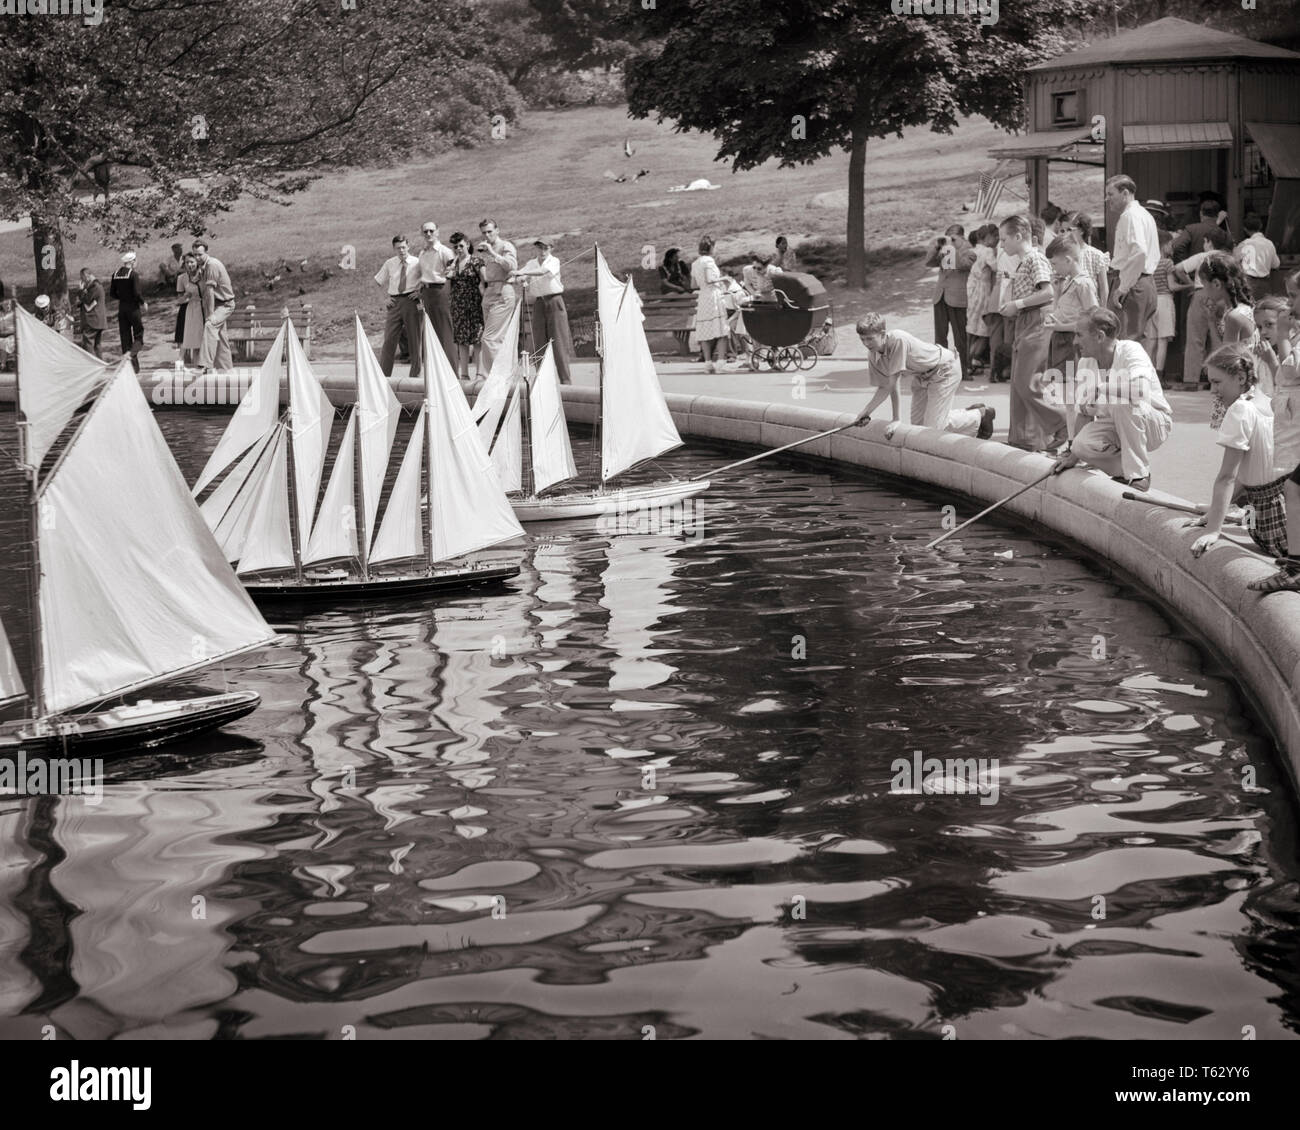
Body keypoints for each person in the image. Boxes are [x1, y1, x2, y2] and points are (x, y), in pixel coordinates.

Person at [1185, 343, 1297, 590]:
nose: (1212, 390)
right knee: (1247, 503)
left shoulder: (1239, 409)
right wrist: (1214, 512)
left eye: (1217, 382)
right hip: (1287, 513)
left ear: (1240, 377)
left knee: (1249, 509)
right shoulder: (1267, 400)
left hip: (1272, 527)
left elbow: (1227, 477)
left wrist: (1213, 529)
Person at [1052, 306, 1172, 493]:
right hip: (1116, 425)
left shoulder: (1131, 350)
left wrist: (1101, 388)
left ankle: (1139, 474)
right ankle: (1125, 471)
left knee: (1120, 400)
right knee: (1081, 445)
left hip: (1153, 423)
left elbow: (1139, 391)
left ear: (1099, 337)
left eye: (1079, 335)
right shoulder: (1086, 362)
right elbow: (1085, 413)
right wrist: (1073, 456)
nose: (1075, 341)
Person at [852, 313, 994, 439]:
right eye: (862, 339)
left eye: (870, 339)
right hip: (921, 377)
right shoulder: (873, 355)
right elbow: (884, 387)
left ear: (882, 334)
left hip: (945, 370)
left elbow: (894, 383)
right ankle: (965, 413)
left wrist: (896, 419)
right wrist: (865, 412)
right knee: (919, 427)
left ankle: (980, 415)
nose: (866, 343)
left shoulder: (897, 339)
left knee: (933, 429)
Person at [998, 214, 1067, 452]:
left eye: (1004, 238)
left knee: (1027, 380)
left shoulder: (1035, 258)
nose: (1001, 244)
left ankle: (1061, 422)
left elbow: (1047, 293)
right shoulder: (1024, 260)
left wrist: (1017, 305)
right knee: (1019, 383)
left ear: (1018, 236)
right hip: (1026, 320)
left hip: (1036, 319)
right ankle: (1024, 439)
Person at [1043, 234, 1098, 436]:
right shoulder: (1069, 282)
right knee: (1068, 399)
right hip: (1062, 340)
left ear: (1068, 260)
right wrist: (1057, 292)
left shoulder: (1083, 283)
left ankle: (1076, 443)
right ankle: (1072, 442)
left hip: (1073, 343)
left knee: (1074, 399)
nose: (1053, 268)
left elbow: (1093, 318)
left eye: (1055, 263)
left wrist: (1062, 327)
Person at [1103, 174, 1160, 350]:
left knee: (1123, 341)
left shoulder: (1130, 216)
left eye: (1111, 194)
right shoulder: (1144, 214)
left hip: (1131, 283)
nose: (1107, 199)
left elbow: (1139, 252)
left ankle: (1126, 378)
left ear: (1125, 193)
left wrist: (1123, 287)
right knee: (1136, 340)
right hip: (1144, 281)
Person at [1171, 228, 1231, 384]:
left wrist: (1190, 283)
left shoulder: (1203, 257)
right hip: (1223, 296)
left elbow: (1178, 269)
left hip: (1201, 294)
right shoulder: (1228, 258)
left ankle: (1191, 379)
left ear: (1209, 242)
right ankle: (1219, 378)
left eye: (1205, 241)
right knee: (1219, 337)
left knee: (1195, 339)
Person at [514, 237, 574, 384]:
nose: (542, 251)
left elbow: (542, 272)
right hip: (539, 302)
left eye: (545, 248)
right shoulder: (531, 263)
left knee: (559, 343)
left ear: (551, 248)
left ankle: (565, 381)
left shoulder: (554, 261)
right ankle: (542, 380)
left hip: (555, 301)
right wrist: (520, 278)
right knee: (539, 341)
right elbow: (521, 275)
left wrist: (520, 274)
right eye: (539, 248)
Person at [926, 224, 974, 377]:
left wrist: (952, 248)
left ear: (962, 237)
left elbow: (964, 266)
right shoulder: (944, 249)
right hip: (940, 296)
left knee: (960, 337)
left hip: (957, 298)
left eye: (953, 238)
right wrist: (936, 246)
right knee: (940, 336)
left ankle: (962, 370)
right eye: (948, 237)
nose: (950, 241)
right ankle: (941, 368)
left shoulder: (969, 251)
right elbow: (929, 262)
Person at [374, 234, 423, 379]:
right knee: (389, 339)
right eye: (398, 248)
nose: (401, 250)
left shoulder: (417, 262)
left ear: (408, 246)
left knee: (415, 340)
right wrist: (383, 299)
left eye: (403, 247)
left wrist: (420, 293)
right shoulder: (390, 263)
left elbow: (428, 279)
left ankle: (415, 376)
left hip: (411, 301)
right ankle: (384, 377)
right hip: (394, 303)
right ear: (394, 249)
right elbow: (377, 282)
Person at [477, 218, 518, 371]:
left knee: (489, 338)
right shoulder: (486, 249)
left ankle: (497, 376)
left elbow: (512, 266)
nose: (487, 235)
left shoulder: (505, 246)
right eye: (484, 233)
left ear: (497, 230)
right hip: (489, 292)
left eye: (489, 231)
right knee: (497, 339)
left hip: (503, 291)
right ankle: (503, 373)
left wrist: (493, 253)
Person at [191, 241, 235, 373]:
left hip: (225, 304)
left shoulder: (212, 265)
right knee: (221, 336)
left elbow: (210, 292)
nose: (197, 258)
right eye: (195, 255)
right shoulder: (204, 267)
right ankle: (226, 368)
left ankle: (204, 365)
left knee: (210, 325)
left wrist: (210, 314)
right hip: (219, 304)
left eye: (200, 254)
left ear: (206, 253)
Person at [417, 221, 456, 364]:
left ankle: (452, 371)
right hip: (427, 293)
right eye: (425, 231)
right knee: (431, 332)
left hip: (441, 291)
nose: (428, 234)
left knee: (445, 331)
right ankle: (437, 369)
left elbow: (452, 270)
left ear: (437, 232)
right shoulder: (422, 253)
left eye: (431, 231)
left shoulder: (444, 251)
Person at [447, 231, 485, 380]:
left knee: (477, 339)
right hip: (458, 306)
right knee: (461, 341)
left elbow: (485, 280)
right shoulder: (451, 263)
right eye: (455, 246)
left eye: (461, 246)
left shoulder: (476, 261)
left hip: (474, 304)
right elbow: (447, 285)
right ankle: (463, 373)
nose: (458, 249)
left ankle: (479, 372)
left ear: (467, 245)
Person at [691, 235, 729, 374]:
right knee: (721, 330)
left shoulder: (695, 264)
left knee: (706, 329)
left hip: (703, 297)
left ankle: (708, 363)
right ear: (711, 247)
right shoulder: (709, 261)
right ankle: (720, 362)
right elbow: (709, 279)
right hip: (713, 296)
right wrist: (724, 278)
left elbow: (693, 284)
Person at [965, 224, 998, 375]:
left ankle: (966, 359)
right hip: (983, 290)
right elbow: (996, 267)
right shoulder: (988, 251)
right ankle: (972, 358)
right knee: (984, 328)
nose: (997, 240)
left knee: (971, 328)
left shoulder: (972, 250)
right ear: (988, 237)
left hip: (971, 288)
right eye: (995, 236)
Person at [1061, 211, 1109, 308]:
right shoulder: (1061, 254)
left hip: (1089, 306)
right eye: (1063, 231)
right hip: (1068, 308)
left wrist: (1103, 310)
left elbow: (1103, 288)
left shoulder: (1096, 255)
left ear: (1081, 230)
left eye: (1069, 229)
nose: (1065, 234)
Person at [108, 250, 146, 372]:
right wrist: (143, 302)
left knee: (125, 337)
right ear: (132, 261)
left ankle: (132, 368)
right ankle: (131, 354)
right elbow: (137, 293)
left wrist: (122, 297)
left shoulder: (115, 274)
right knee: (139, 335)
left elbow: (112, 293)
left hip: (122, 308)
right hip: (133, 308)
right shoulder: (133, 274)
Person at [1149, 232, 1176, 378]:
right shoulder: (1167, 263)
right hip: (1165, 301)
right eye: (1170, 244)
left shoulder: (1150, 263)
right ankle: (1159, 375)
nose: (1172, 247)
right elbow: (1171, 286)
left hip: (1152, 301)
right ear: (1164, 245)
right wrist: (1187, 286)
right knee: (1163, 341)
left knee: (1152, 342)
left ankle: (1149, 373)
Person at [1234, 214, 1280, 300]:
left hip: (1248, 283)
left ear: (1245, 229)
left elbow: (1233, 261)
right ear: (1261, 226)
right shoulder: (1269, 243)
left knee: (1248, 310)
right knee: (1263, 309)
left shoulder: (1245, 244)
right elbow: (1276, 265)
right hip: (1265, 284)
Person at [1172, 198, 1230, 262]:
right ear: (1218, 215)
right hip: (1215, 270)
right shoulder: (1224, 234)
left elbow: (1177, 246)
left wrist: (1185, 263)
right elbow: (1229, 253)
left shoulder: (1191, 229)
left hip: (1193, 269)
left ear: (1201, 213)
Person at [176, 252, 206, 365]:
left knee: (201, 338)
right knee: (187, 337)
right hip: (189, 308)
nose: (189, 265)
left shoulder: (203, 274)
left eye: (192, 262)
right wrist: (185, 296)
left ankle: (201, 364)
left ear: (196, 263)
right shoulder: (181, 278)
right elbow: (179, 300)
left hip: (203, 307)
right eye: (187, 262)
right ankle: (181, 361)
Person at [77, 267, 106, 358]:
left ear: (87, 276)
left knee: (87, 342)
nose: (82, 280)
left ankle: (93, 365)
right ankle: (100, 366)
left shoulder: (95, 286)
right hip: (96, 320)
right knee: (97, 344)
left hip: (93, 320)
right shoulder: (93, 286)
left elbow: (87, 300)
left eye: (82, 278)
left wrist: (81, 291)